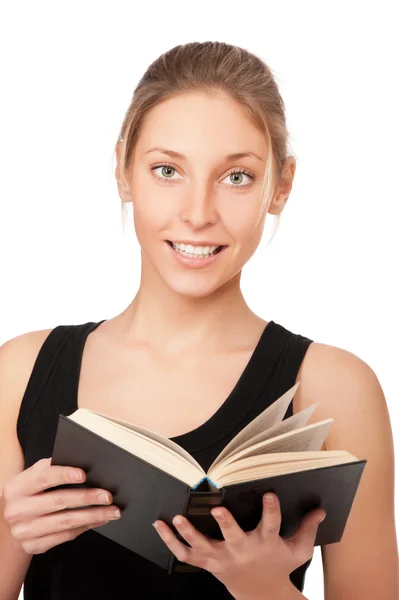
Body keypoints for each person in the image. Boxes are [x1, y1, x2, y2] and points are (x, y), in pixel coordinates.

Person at [0, 41, 397, 600]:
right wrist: (11, 535)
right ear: (122, 171)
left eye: (236, 177)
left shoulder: (336, 388)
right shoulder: (21, 370)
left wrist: (263, 587)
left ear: (279, 186)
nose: (197, 213)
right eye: (167, 170)